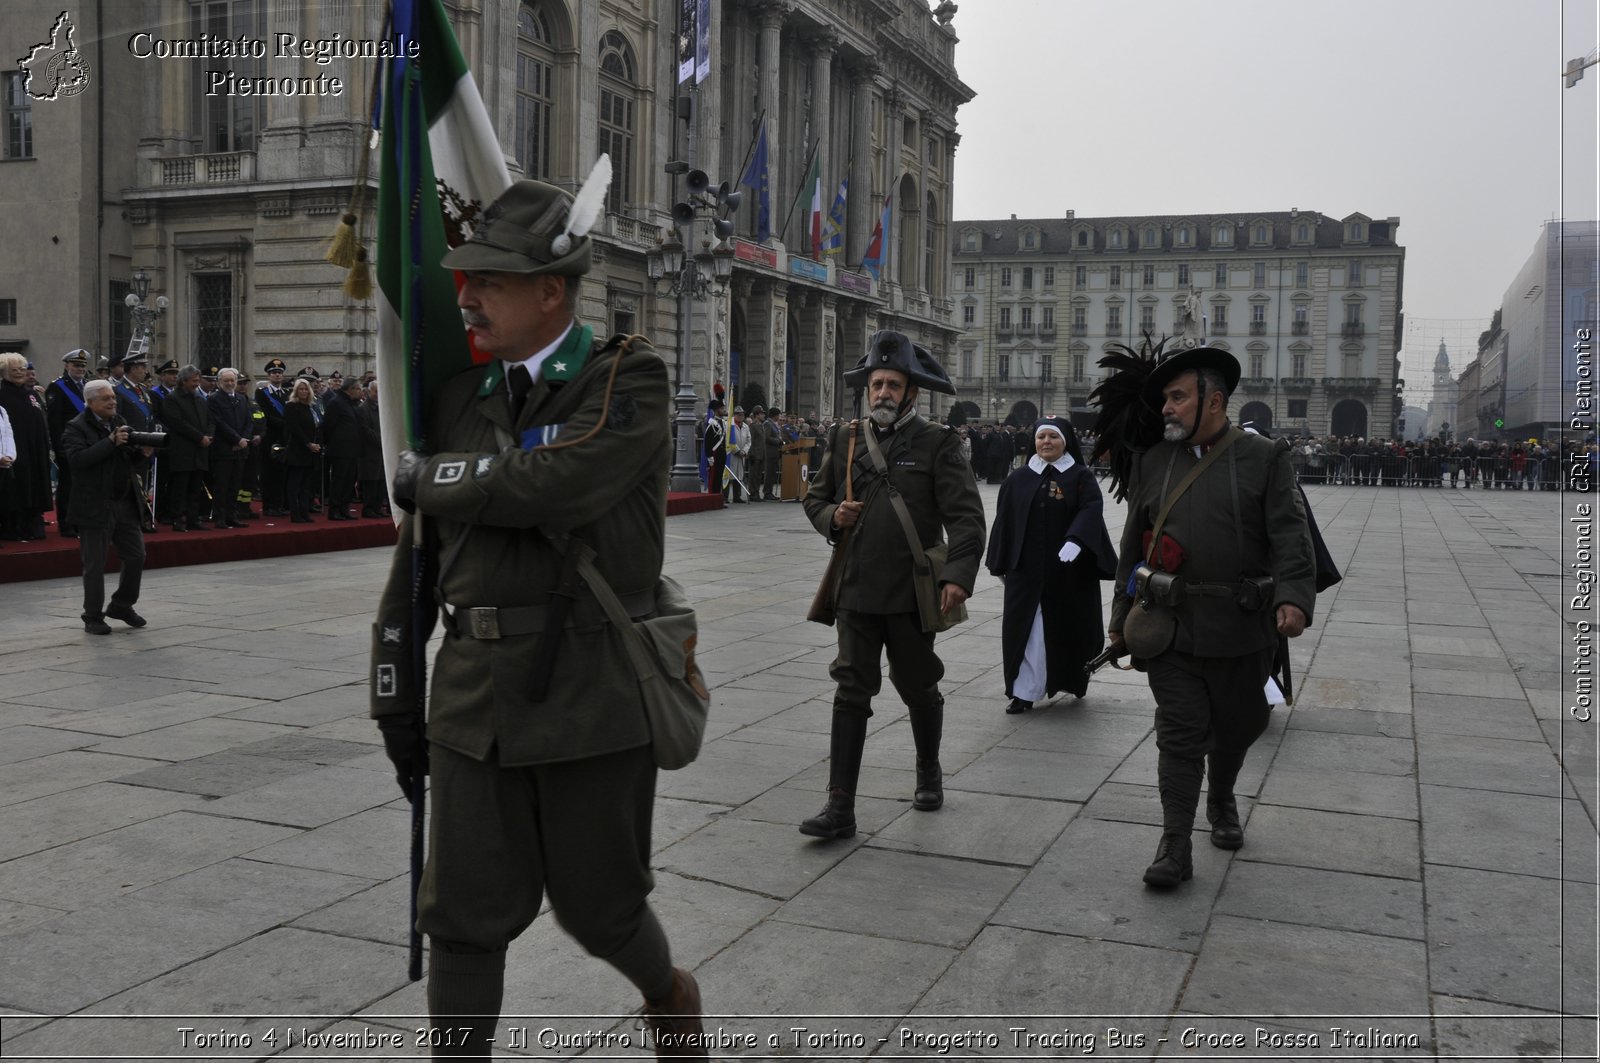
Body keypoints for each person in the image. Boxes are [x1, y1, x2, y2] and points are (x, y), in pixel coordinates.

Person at [370, 173, 708, 1056]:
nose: (467, 297)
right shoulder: (458, 401)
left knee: (602, 908)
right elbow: (422, 555)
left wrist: (427, 474)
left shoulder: (625, 379)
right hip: (474, 698)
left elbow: (564, 481)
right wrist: (394, 679)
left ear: (551, 289)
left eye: (490, 280)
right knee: (461, 917)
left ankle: (669, 995)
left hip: (591, 694)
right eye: (466, 278)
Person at [1102, 346, 1315, 889]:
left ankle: (1221, 797)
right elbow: (1134, 546)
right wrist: (1120, 617)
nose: (1167, 408)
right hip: (1169, 625)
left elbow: (1292, 535)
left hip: (1243, 625)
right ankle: (1174, 842)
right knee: (1178, 733)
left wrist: (1293, 598)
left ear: (1215, 401)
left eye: (1178, 397)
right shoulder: (1154, 461)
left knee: (1239, 727)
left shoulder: (1265, 457)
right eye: (1166, 398)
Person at [799, 330, 986, 839]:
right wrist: (832, 516)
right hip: (855, 589)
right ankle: (840, 807)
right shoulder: (845, 438)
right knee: (850, 690)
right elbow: (814, 500)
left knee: (918, 686)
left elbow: (967, 519)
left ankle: (928, 769)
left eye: (893, 384)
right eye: (876, 383)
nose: (882, 392)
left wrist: (958, 577)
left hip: (911, 592)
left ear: (911, 393)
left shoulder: (938, 443)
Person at [984, 417, 1117, 713]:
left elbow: (1091, 508)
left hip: (1067, 572)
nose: (1046, 442)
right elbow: (1004, 520)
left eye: (1053, 437)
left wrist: (1077, 538)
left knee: (1066, 628)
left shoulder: (1080, 476)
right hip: (1026, 571)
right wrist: (1000, 561)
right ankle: (1024, 691)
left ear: (1065, 442)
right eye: (1041, 436)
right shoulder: (1018, 478)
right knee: (1027, 631)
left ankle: (1070, 678)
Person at [60, 379, 148, 634]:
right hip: (94, 505)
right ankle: (93, 616)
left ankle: (121, 605)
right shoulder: (76, 428)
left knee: (136, 555)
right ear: (90, 403)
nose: (112, 402)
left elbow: (127, 462)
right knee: (95, 564)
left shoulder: (118, 421)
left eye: (113, 397)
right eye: (106, 399)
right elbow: (77, 461)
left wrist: (142, 453)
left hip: (124, 501)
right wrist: (110, 442)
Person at [0, 352, 51, 541]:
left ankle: (34, 524)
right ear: (4, 372)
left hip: (35, 450)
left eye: (22, 369)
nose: (20, 372)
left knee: (36, 486)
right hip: (14, 452)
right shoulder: (2, 395)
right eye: (14, 370)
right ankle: (14, 527)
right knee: (16, 490)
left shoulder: (31, 394)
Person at [160, 366, 215, 531]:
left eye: (198, 381)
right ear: (184, 381)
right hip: (182, 451)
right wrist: (200, 437)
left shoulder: (199, 398)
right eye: (194, 381)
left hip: (200, 451)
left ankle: (193, 519)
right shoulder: (172, 399)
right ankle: (177, 519)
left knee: (195, 488)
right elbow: (177, 423)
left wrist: (209, 435)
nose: (197, 384)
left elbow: (210, 420)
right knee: (180, 488)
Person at [46, 349, 93, 538]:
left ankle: (82, 521)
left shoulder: (88, 386)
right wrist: (59, 447)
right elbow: (55, 421)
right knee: (69, 487)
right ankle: (66, 524)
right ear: (67, 366)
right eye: (76, 365)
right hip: (69, 446)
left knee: (85, 486)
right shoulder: (57, 387)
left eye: (82, 365)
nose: (80, 368)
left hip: (89, 445)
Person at [206, 369, 254, 528]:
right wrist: (236, 439)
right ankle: (219, 517)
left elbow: (249, 421)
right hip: (223, 449)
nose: (230, 384)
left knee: (235, 486)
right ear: (219, 382)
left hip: (240, 450)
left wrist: (244, 439)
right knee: (222, 486)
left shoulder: (241, 399)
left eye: (232, 380)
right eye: (226, 381)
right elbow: (219, 423)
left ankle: (232, 516)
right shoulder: (214, 399)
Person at [320, 376, 363, 520]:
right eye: (358, 388)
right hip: (340, 450)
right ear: (351, 389)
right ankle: (335, 510)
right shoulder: (336, 403)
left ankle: (344, 508)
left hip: (353, 449)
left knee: (349, 481)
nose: (361, 391)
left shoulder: (353, 403)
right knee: (339, 481)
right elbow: (328, 426)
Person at [282, 377, 322, 523]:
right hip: (297, 450)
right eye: (301, 389)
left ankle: (304, 512)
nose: (304, 392)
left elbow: (316, 427)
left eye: (306, 389)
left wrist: (316, 444)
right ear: (296, 391)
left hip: (310, 452)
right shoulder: (291, 406)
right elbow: (295, 429)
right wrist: (308, 443)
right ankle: (295, 513)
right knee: (295, 485)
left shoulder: (310, 407)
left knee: (306, 485)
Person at [357, 378, 388, 517]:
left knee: (381, 481)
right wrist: (383, 440)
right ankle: (368, 509)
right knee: (371, 482)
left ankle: (377, 507)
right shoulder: (363, 409)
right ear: (369, 392)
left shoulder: (382, 407)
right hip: (369, 452)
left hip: (381, 452)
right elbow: (365, 430)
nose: (378, 394)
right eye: (376, 391)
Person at [703, 398, 727, 497]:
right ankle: (712, 497)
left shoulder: (722, 423)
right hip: (714, 454)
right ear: (717, 410)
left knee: (719, 477)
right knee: (713, 477)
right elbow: (707, 442)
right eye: (722, 408)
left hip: (721, 454)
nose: (724, 410)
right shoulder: (711, 425)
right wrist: (709, 456)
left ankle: (717, 497)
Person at [725, 406, 750, 503]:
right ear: (734, 415)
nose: (741, 416)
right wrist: (737, 450)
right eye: (738, 414)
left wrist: (744, 451)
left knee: (739, 475)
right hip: (731, 454)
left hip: (741, 455)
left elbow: (748, 441)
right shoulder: (729, 425)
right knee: (728, 475)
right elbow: (729, 440)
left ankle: (737, 496)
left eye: (742, 414)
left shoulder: (745, 426)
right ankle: (725, 496)